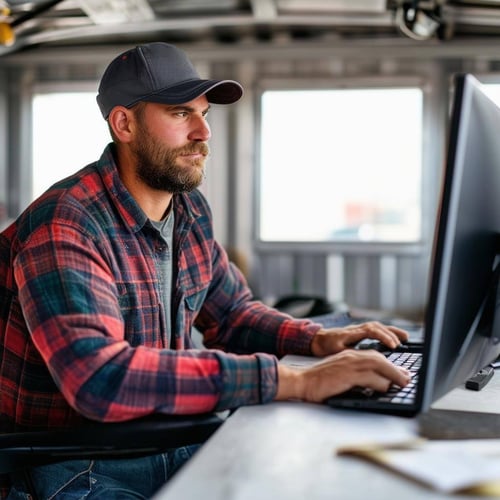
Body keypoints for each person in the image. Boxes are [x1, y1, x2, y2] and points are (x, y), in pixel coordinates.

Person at [0, 42, 410, 499]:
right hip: (77, 461)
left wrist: (316, 340)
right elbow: (100, 380)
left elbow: (232, 315)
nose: (203, 132)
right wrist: (295, 381)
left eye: (204, 113)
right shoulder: (67, 223)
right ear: (124, 123)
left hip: (168, 435)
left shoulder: (188, 210)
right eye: (180, 114)